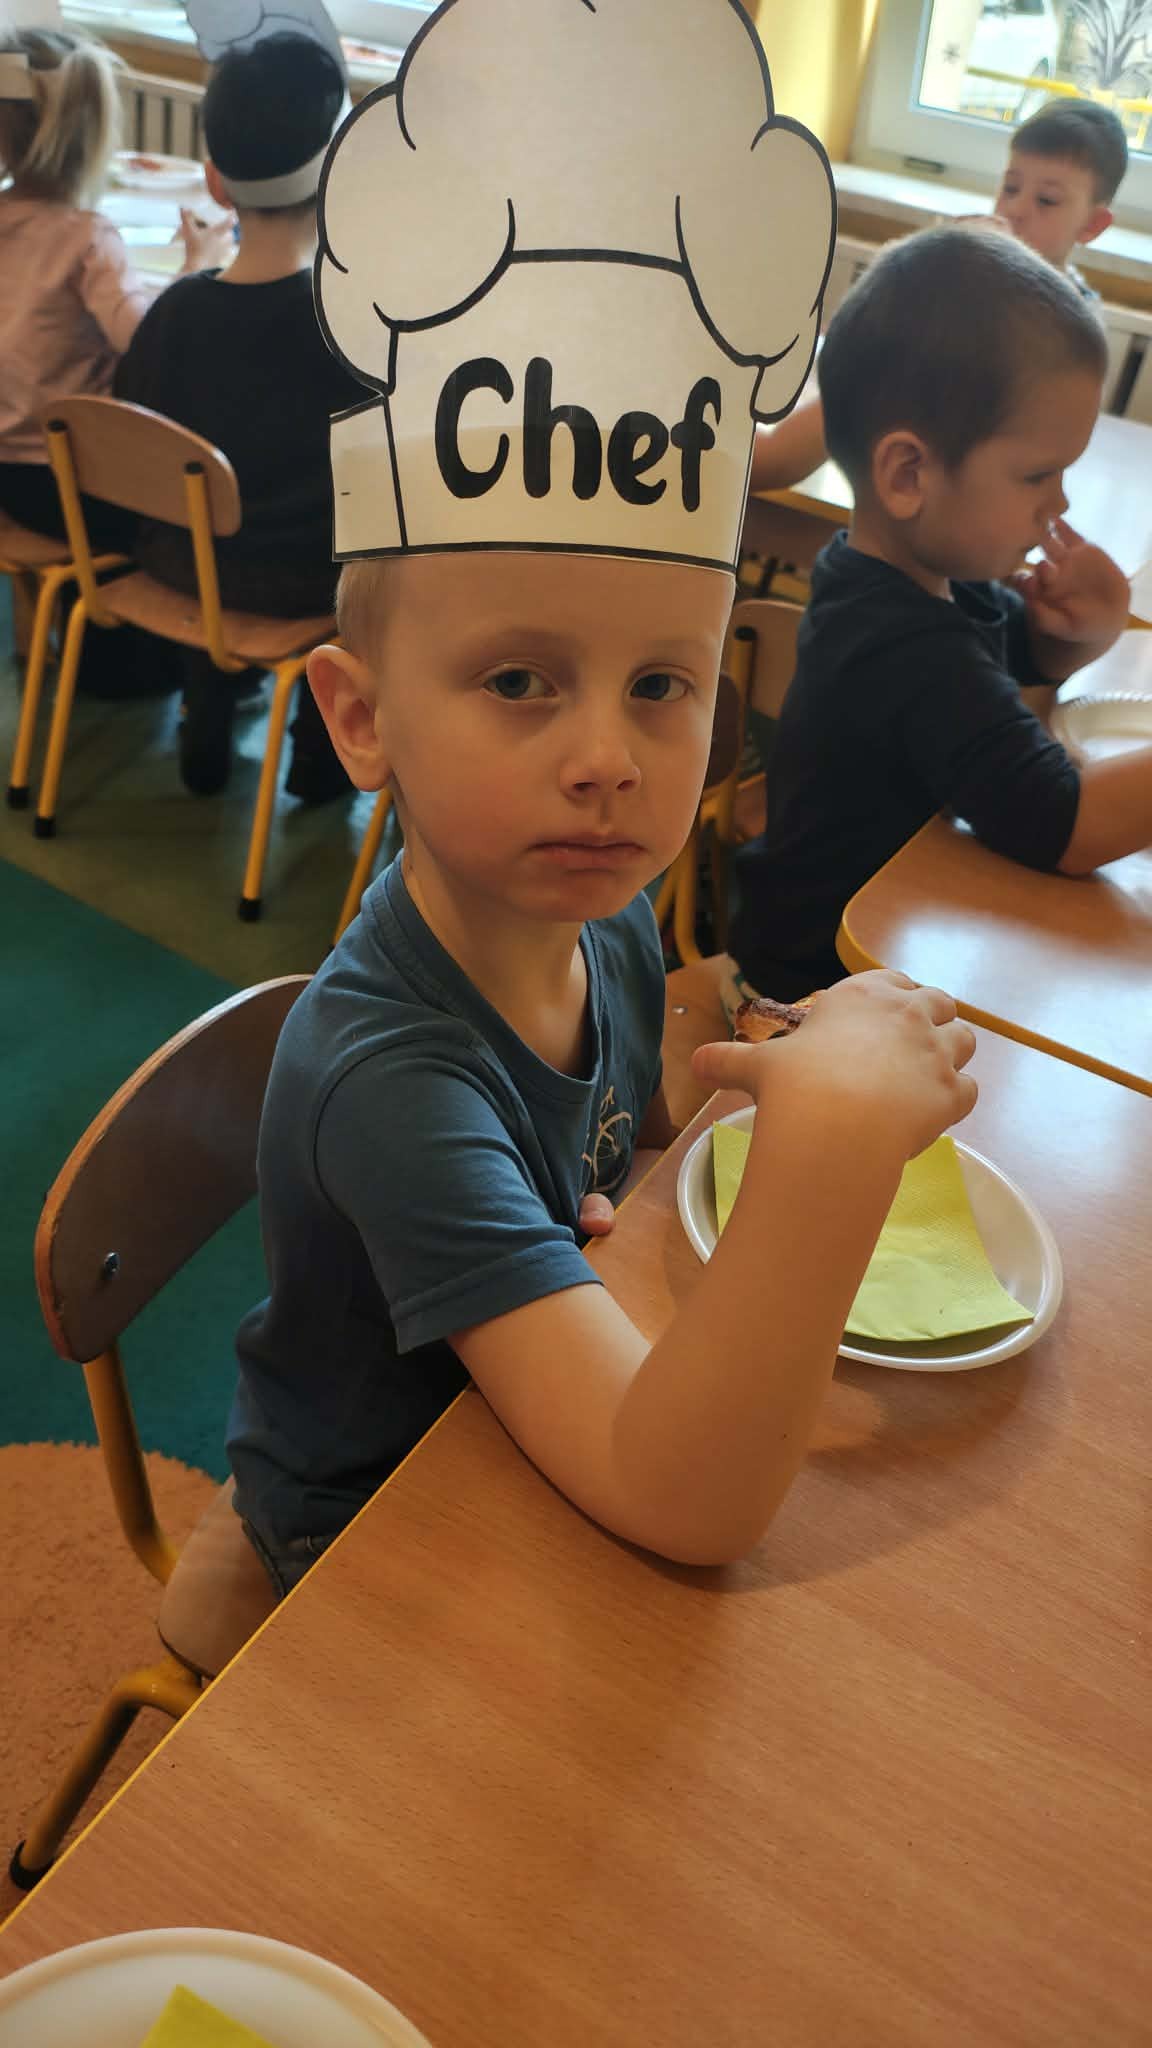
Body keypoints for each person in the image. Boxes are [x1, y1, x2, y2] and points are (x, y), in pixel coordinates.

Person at [223, 0, 978, 1592]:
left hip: (522, 1436)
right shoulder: (390, 1080)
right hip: (364, 1545)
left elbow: (640, 1144)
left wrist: (763, 1073)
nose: (609, 759)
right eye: (519, 680)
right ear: (358, 718)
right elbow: (685, 1505)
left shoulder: (603, 915)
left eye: (663, 684)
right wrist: (832, 1152)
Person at [731, 226, 1150, 1004]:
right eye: (1038, 475)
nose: (1058, 503)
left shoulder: (912, 579)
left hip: (880, 951)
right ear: (909, 474)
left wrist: (1074, 636)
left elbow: (1011, 661)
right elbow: (1065, 825)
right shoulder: (902, 642)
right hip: (812, 1000)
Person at [115, 32, 363, 800]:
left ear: (215, 184)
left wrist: (192, 271)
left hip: (180, 567)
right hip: (312, 589)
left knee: (212, 512)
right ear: (341, 176)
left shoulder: (176, 314)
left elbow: (132, 423)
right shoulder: (353, 329)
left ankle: (207, 710)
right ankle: (321, 759)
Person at [748, 97, 1130, 497]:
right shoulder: (976, 267)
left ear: (1092, 224)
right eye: (1010, 187)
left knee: (780, 453)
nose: (1016, 209)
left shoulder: (1072, 321)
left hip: (960, 494)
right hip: (893, 454)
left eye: (1046, 201)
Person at [0, 27, 230, 546]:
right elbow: (146, 341)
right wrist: (197, 264)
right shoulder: (86, 238)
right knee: (197, 503)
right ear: (96, 134)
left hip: (6, 472)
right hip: (64, 485)